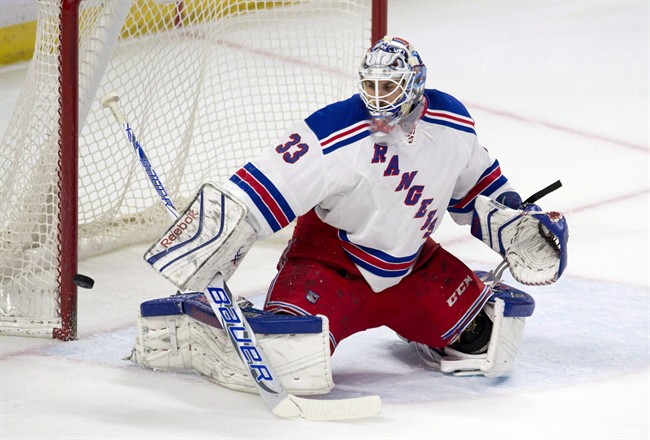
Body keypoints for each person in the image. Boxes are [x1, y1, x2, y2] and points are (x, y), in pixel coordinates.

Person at [148, 36, 568, 378]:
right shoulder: (336, 129)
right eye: (372, 86)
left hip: (410, 270)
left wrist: (517, 226)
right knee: (288, 361)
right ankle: (201, 325)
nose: (378, 97)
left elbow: (477, 188)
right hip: (329, 266)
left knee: (484, 342)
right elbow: (267, 183)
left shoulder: (451, 122)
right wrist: (217, 228)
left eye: (389, 87)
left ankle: (424, 322)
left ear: (415, 84)